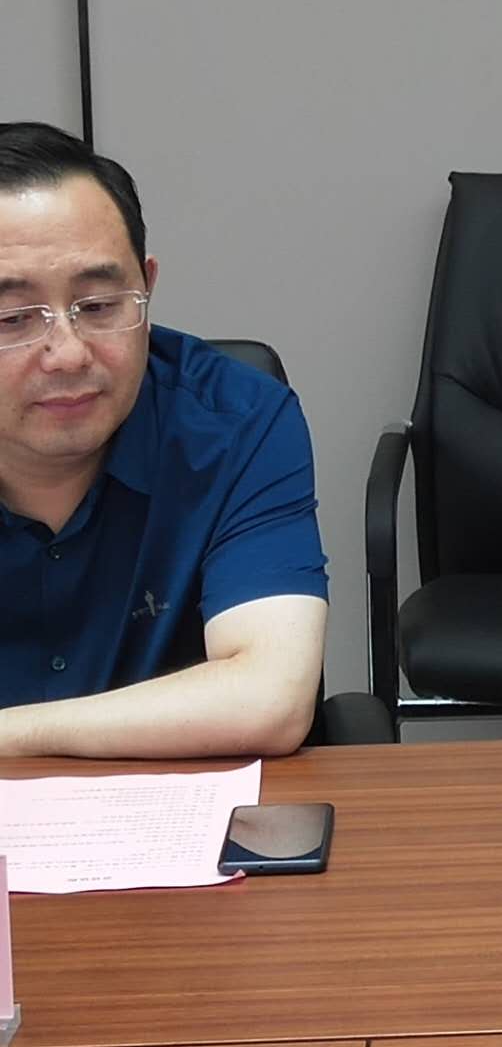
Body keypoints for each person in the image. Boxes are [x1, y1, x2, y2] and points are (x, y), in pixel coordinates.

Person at [0, 122, 327, 757]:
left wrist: (15, 735)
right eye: (13, 318)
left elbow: (270, 696)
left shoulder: (238, 423)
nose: (67, 354)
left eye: (100, 306)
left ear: (146, 289)